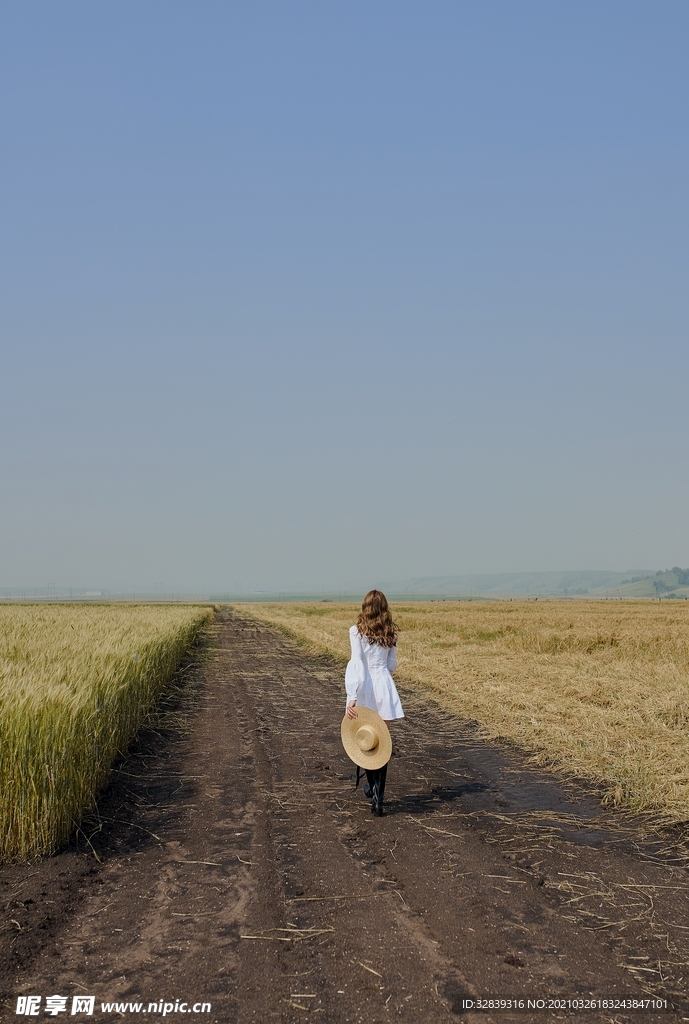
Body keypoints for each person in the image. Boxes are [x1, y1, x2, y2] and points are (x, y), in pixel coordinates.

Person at [345, 590, 403, 815]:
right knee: (382, 743)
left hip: (365, 689)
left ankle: (372, 791)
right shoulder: (391, 632)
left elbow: (356, 663)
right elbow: (391, 665)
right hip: (384, 688)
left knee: (367, 740)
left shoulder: (356, 631)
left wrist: (352, 696)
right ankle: (377, 799)